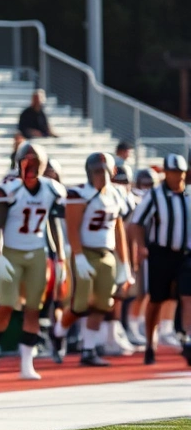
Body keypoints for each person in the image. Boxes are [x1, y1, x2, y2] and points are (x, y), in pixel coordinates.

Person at [0, 141, 67, 381]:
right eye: (26, 162)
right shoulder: (9, 188)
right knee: (6, 305)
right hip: (11, 252)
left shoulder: (51, 188)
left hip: (38, 253)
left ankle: (26, 364)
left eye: (35, 162)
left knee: (33, 308)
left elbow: (53, 223)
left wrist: (59, 256)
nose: (30, 167)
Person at [53, 153, 133, 366]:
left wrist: (125, 264)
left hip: (107, 253)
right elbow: (72, 227)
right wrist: (78, 256)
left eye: (104, 171)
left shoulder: (117, 193)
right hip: (85, 251)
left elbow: (119, 230)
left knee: (102, 304)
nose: (101, 175)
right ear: (89, 172)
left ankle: (88, 350)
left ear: (113, 171)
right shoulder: (79, 193)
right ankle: (58, 332)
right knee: (80, 305)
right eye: (97, 171)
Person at [128, 153, 191, 365]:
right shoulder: (155, 195)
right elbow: (136, 223)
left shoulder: (189, 194)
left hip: (186, 255)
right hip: (161, 253)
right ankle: (150, 342)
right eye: (174, 173)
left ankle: (189, 339)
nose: (178, 177)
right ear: (166, 173)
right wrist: (141, 247)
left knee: (187, 295)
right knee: (156, 299)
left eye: (181, 173)